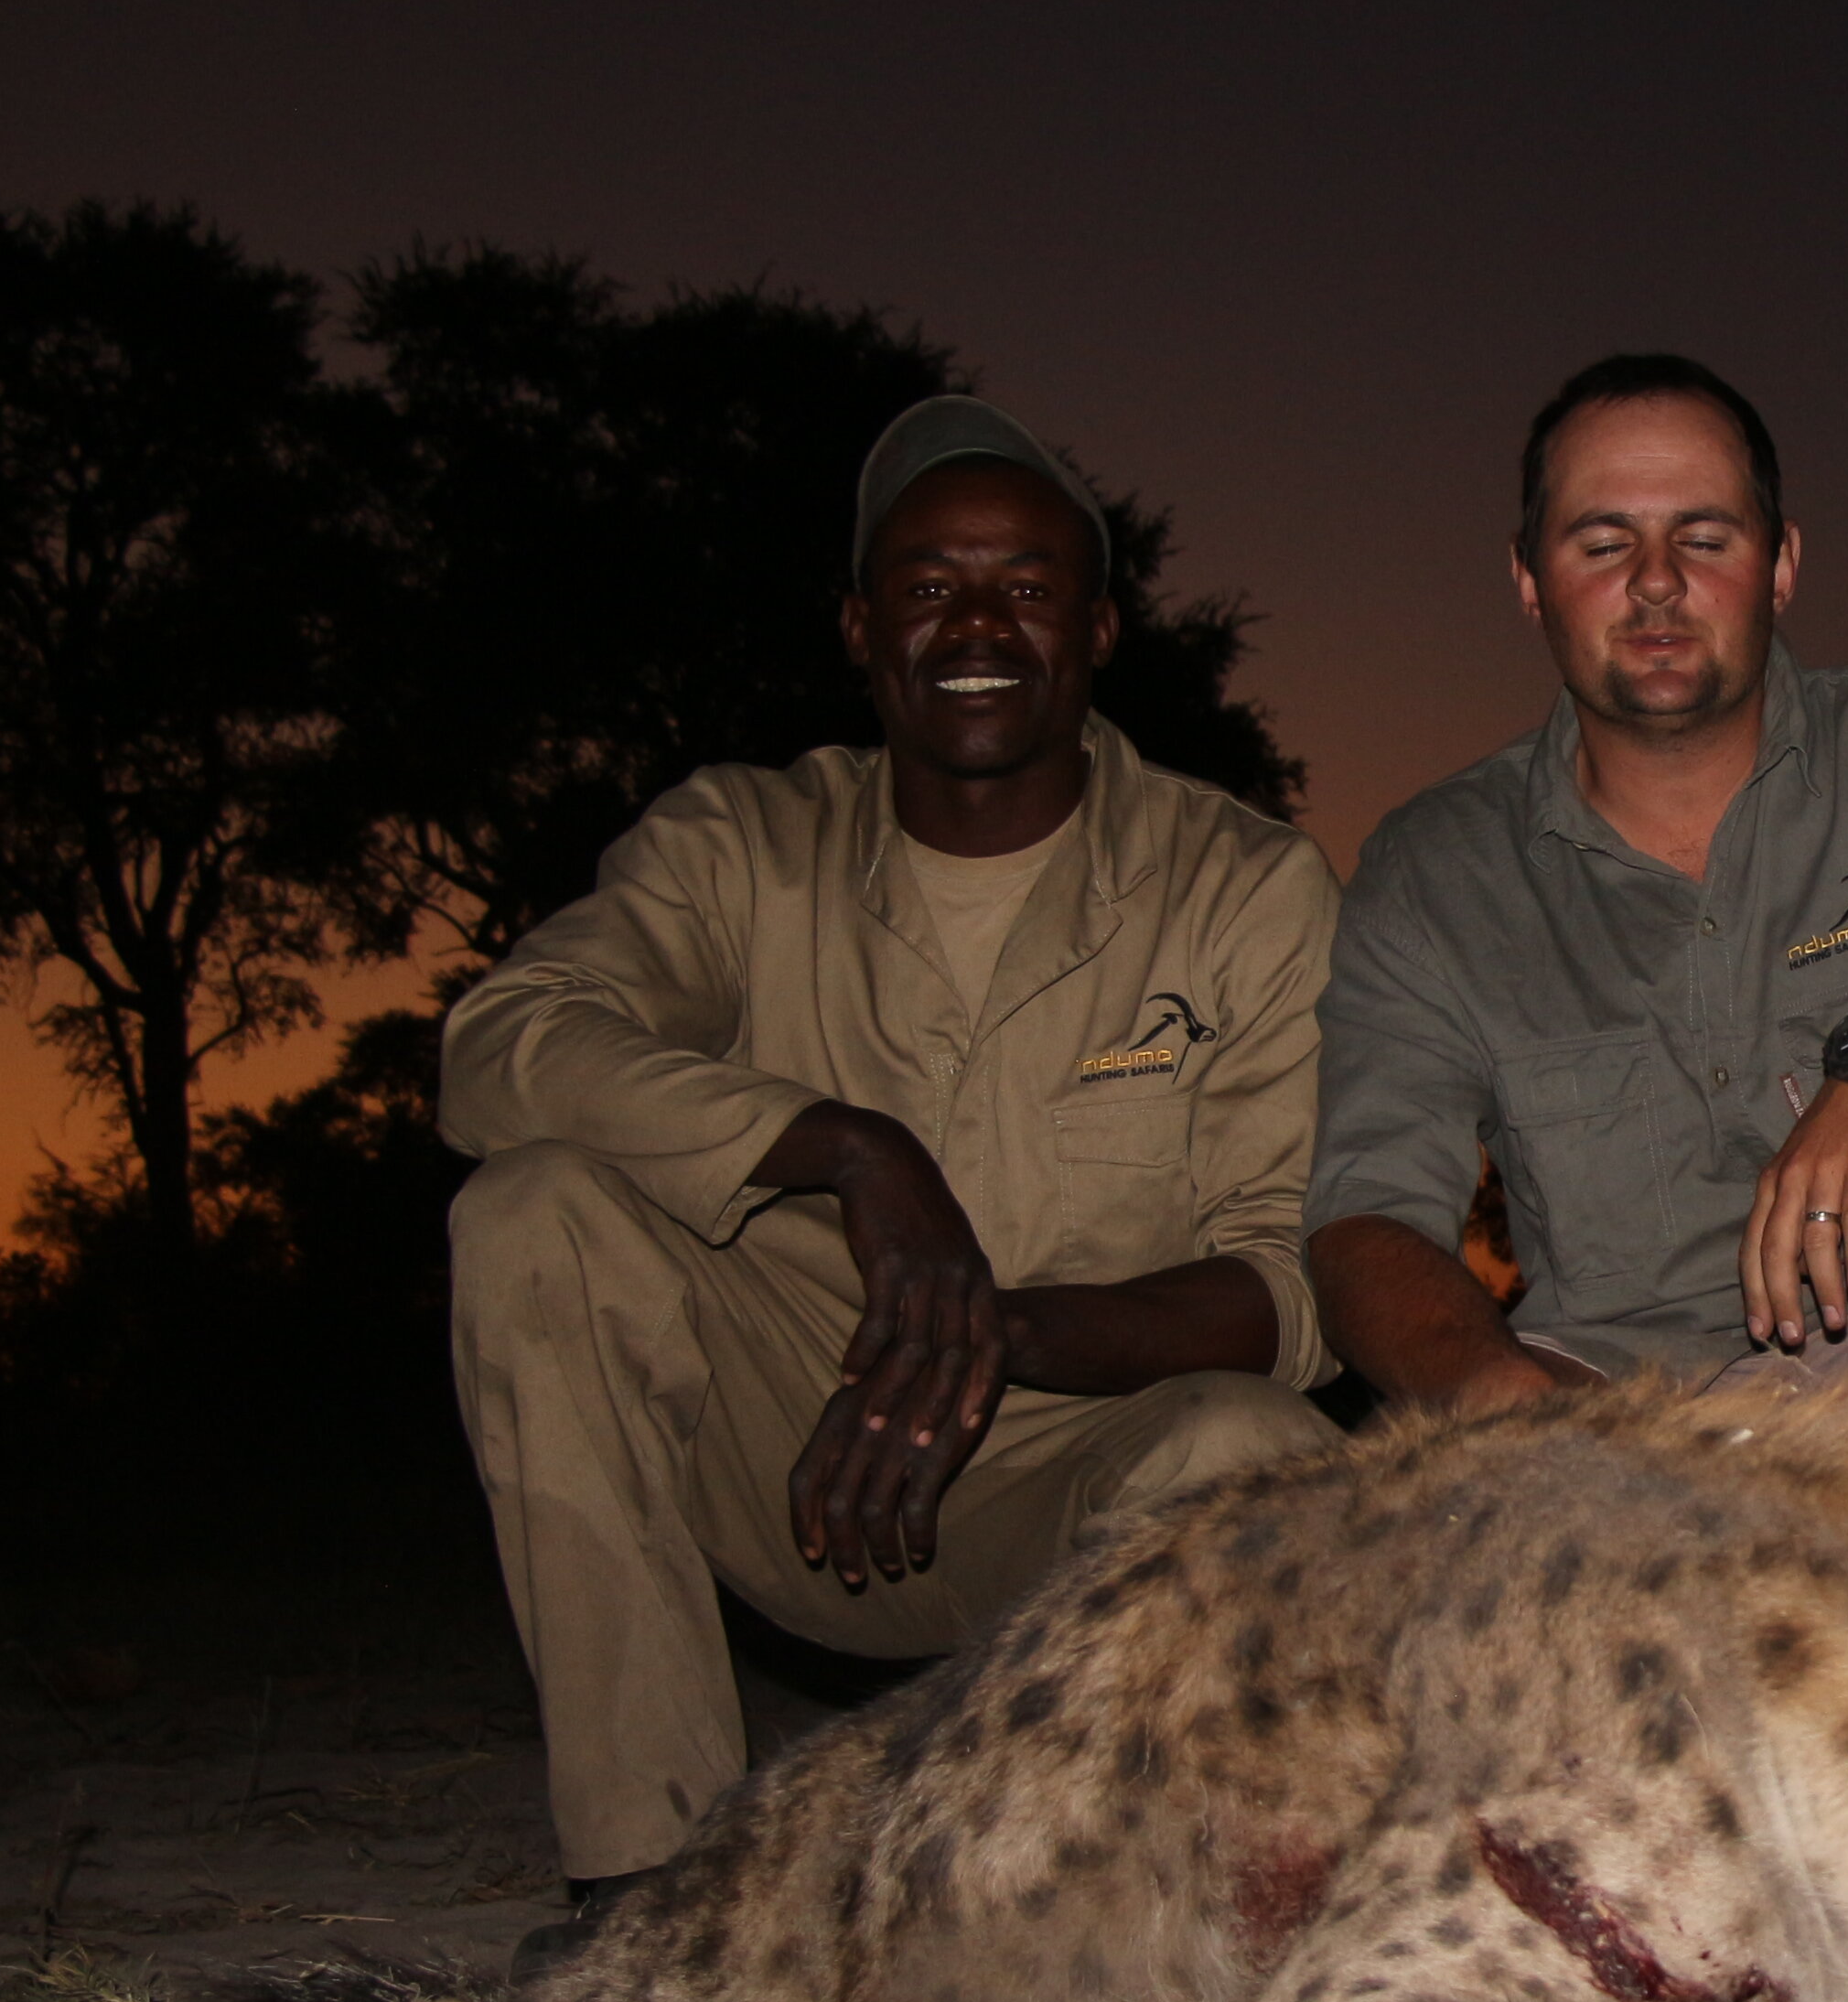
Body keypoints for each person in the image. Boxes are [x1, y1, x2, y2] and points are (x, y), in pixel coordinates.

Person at [441, 395, 1342, 1924]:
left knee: (1252, 1451)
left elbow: (1295, 1281)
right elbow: (498, 1042)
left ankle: (1096, 1913)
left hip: (1069, 1486)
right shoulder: (737, 843)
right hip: (794, 1455)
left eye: (1026, 588)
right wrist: (846, 1151)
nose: (976, 624)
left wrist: (987, 1337)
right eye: (927, 588)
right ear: (860, 629)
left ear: (1101, 628)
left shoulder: (1242, 885)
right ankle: (650, 1896)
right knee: (531, 1209)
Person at [1309, 353, 1848, 1500]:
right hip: (1634, 1404)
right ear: (1529, 580)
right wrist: (1502, 1402)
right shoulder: (1431, 871)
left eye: (1705, 538)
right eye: (1602, 544)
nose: (1655, 584)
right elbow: (1363, 1223)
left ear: (1781, 563)